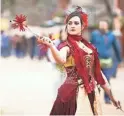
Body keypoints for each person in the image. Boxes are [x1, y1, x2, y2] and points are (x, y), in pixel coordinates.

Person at [37, 6, 121, 115]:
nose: (72, 25)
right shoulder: (66, 46)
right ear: (66, 26)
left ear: (82, 26)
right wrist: (52, 46)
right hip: (70, 94)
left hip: (91, 93)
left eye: (76, 23)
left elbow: (98, 74)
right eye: (70, 23)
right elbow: (61, 59)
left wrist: (112, 97)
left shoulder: (90, 48)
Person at [91, 20, 122, 104]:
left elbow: (116, 48)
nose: (102, 27)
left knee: (106, 79)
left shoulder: (111, 35)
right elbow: (91, 45)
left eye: (104, 25)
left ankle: (107, 98)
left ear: (107, 26)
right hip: (96, 60)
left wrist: (119, 60)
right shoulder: (94, 34)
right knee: (96, 80)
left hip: (107, 61)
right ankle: (95, 98)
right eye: (101, 25)